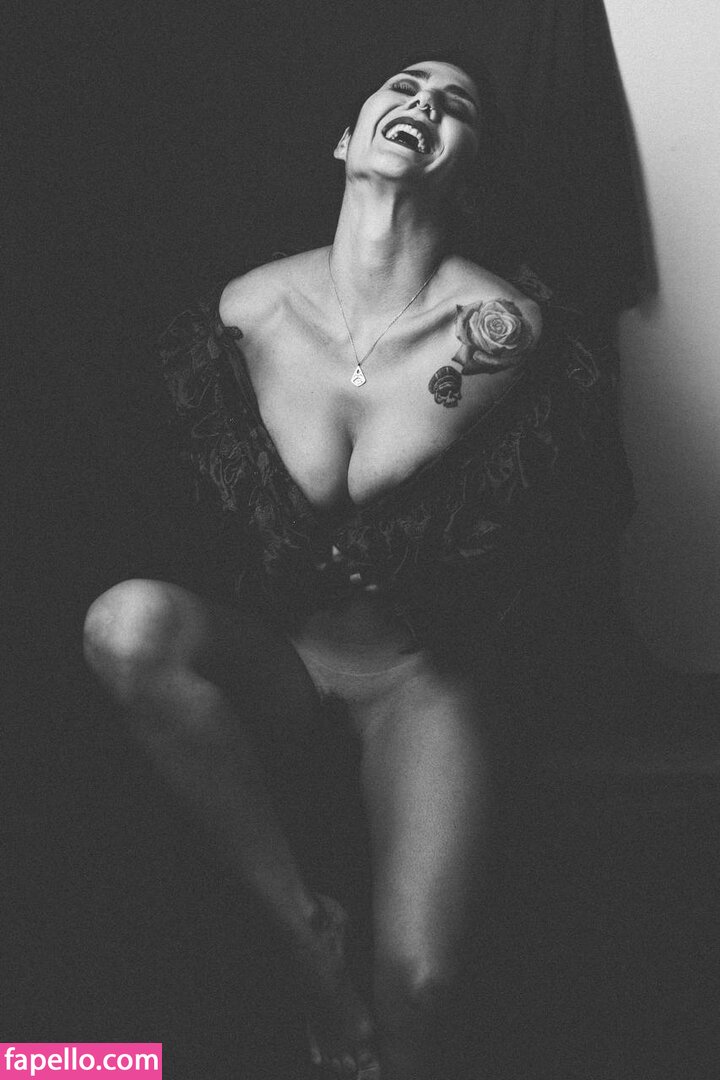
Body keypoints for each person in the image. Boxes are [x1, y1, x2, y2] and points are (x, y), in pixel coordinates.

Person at [83, 53, 631, 1080]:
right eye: (403, 89)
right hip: (283, 658)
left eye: (454, 105)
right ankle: (305, 931)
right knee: (124, 624)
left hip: (415, 677)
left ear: (467, 168)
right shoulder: (247, 308)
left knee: (419, 989)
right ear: (345, 139)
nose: (422, 105)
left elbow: (524, 520)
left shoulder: (498, 327)